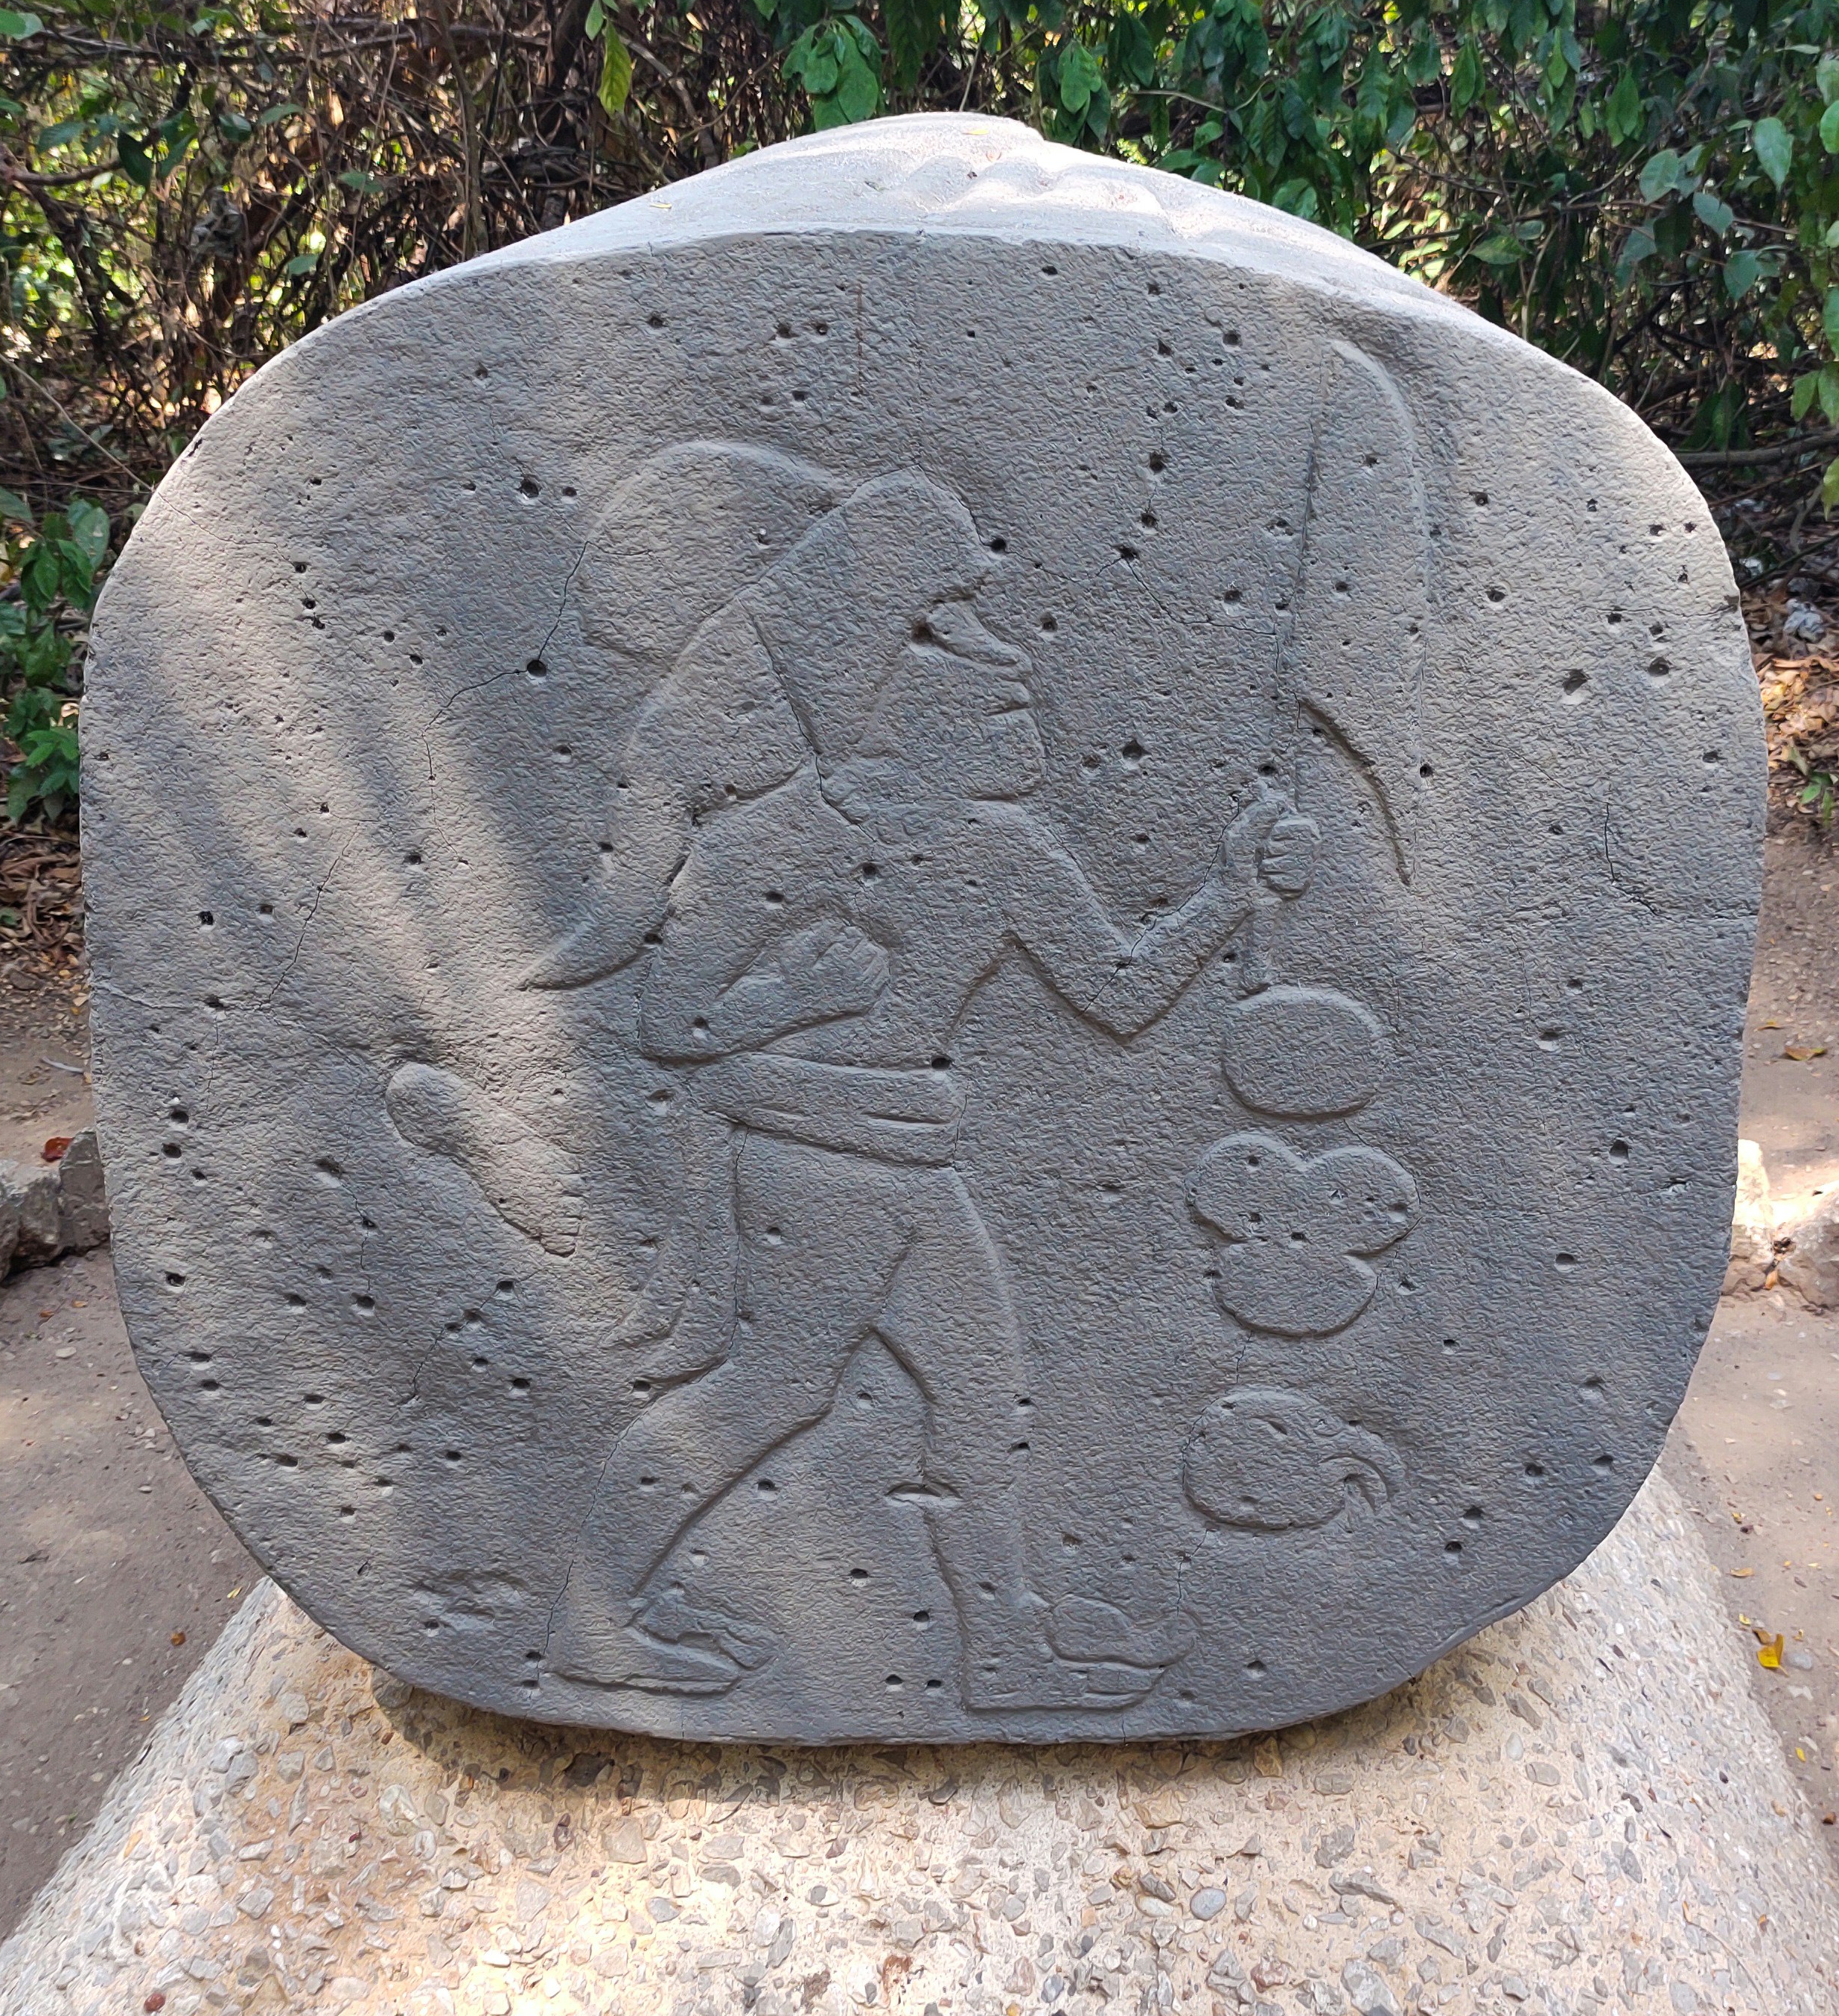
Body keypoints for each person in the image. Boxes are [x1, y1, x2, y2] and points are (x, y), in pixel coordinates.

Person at [533, 480, 1316, 1708]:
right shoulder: (775, 843)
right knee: (772, 1388)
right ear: (903, 712)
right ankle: (593, 1616)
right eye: (987, 690)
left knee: (980, 1396)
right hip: (817, 1169)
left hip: (910, 1162)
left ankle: (1002, 1653)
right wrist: (788, 1010)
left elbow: (1117, 992)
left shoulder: (1007, 853)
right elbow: (667, 1025)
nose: (1020, 698)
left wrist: (1231, 892)